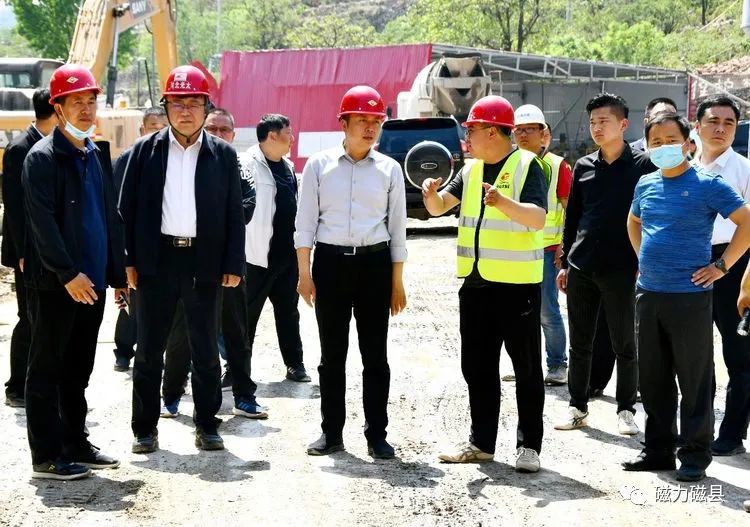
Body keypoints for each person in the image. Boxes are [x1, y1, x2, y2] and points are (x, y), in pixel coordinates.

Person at [119, 65, 245, 453]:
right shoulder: (144, 151)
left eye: (193, 103)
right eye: (177, 103)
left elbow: (233, 211)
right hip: (155, 262)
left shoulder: (223, 155)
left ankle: (207, 425)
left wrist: (233, 263)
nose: (185, 111)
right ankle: (144, 429)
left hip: (203, 262)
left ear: (207, 107)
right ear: (166, 107)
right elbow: (126, 209)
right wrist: (128, 260)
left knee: (205, 349)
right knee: (148, 350)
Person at [423, 95, 547, 472]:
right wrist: (431, 195)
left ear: (492, 131)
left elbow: (538, 218)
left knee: (526, 370)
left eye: (472, 130)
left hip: (517, 288)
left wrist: (503, 202)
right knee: (477, 368)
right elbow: (439, 207)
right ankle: (481, 443)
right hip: (476, 285)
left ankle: (529, 447)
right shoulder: (471, 170)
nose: (468, 137)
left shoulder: (528, 165)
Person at [623, 112, 750, 481]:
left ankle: (694, 455)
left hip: (690, 296)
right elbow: (633, 222)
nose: (664, 147)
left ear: (688, 143)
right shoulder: (646, 183)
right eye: (656, 142)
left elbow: (746, 222)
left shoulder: (707, 183)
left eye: (671, 140)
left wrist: (722, 266)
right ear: (647, 148)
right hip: (649, 294)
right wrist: (643, 257)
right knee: (653, 377)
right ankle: (657, 450)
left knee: (693, 379)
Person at [22, 64, 126, 479]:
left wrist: (116, 275)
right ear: (58, 108)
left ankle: (75, 442)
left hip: (92, 283)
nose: (86, 109)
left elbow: (108, 218)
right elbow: (42, 224)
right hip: (58, 284)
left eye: (90, 101)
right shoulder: (43, 158)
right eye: (76, 102)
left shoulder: (94, 154)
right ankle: (46, 455)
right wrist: (67, 274)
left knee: (78, 369)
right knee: (46, 369)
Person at [296, 85, 407, 459]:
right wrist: (304, 274)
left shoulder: (389, 169)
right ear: (343, 123)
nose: (370, 127)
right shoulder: (319, 166)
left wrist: (397, 282)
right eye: (361, 120)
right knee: (332, 356)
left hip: (375, 266)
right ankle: (331, 433)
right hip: (330, 265)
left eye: (376, 121)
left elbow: (397, 229)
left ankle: (377, 435)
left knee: (375, 356)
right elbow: (305, 224)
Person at [554, 93, 655, 436]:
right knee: (580, 343)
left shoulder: (643, 166)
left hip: (623, 268)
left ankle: (626, 409)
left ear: (623, 124)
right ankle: (577, 406)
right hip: (582, 265)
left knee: (624, 343)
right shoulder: (583, 166)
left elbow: (652, 217)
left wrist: (644, 259)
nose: (597, 128)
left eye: (604, 122)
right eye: (593, 122)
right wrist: (565, 262)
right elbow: (573, 217)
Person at [159, 107, 263, 420]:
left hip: (228, 261)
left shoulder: (238, 166)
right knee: (181, 333)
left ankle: (244, 395)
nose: (218, 134)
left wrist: (213, 225)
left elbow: (246, 207)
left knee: (236, 331)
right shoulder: (186, 161)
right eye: (213, 128)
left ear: (233, 134)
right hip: (189, 263)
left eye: (224, 130)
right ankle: (171, 394)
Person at [694, 95, 750, 456]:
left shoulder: (744, 170)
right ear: (697, 126)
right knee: (696, 354)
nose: (720, 128)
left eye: (729, 123)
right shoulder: (685, 168)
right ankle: (698, 429)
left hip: (735, 263)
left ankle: (732, 434)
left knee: (739, 354)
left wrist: (729, 269)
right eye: (713, 121)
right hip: (692, 263)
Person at [241, 114, 310, 386]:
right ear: (272, 135)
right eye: (288, 133)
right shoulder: (247, 164)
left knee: (288, 313)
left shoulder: (288, 166)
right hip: (256, 257)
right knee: (246, 317)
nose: (292, 139)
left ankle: (295, 365)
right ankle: (236, 369)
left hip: (286, 257)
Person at [1, 88, 57, 407]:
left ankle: (43, 384)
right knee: (28, 317)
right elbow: (14, 207)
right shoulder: (20, 148)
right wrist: (23, 253)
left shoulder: (55, 145)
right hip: (28, 252)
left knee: (45, 318)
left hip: (48, 249)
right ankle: (16, 387)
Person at [513, 104, 572, 386]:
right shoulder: (510, 163)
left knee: (547, 310)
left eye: (530, 130)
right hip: (516, 250)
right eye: (519, 130)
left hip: (548, 250)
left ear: (543, 133)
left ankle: (557, 364)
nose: (524, 135)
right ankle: (526, 365)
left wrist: (564, 246)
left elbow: (570, 209)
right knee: (519, 312)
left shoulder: (558, 166)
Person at [112, 106, 168, 372]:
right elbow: (118, 207)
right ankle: (124, 350)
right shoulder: (128, 159)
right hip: (135, 243)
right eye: (153, 127)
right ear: (142, 129)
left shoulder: (175, 158)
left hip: (165, 244)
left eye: (162, 127)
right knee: (130, 303)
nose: (157, 132)